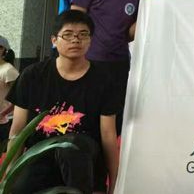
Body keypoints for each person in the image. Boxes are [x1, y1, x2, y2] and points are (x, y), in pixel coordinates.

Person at [7, 10, 119, 194]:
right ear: (54, 40)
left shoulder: (104, 80)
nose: (76, 40)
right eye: (68, 34)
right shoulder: (33, 76)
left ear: (90, 40)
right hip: (40, 153)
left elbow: (108, 135)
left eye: (83, 34)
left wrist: (114, 183)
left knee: (71, 145)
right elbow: (18, 130)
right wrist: (9, 176)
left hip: (82, 159)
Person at [71, 0, 141, 134]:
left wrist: (147, 18)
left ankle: (110, 151)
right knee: (85, 114)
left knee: (114, 114)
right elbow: (75, 19)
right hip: (90, 60)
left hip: (119, 62)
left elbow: (129, 34)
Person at [0, 35, 18, 144]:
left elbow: (19, 98)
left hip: (2, 123)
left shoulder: (9, 70)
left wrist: (3, 113)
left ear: (3, 50)